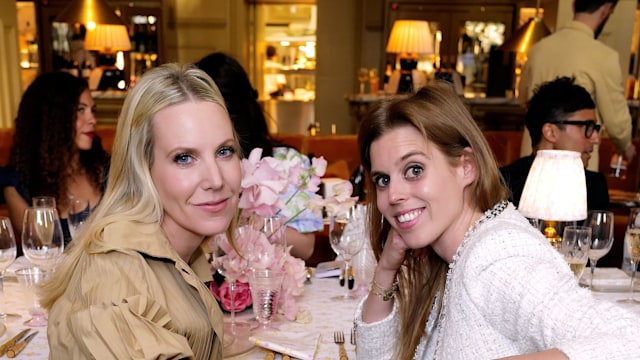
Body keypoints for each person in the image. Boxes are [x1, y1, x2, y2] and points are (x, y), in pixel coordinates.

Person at [353, 81, 640, 359]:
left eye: (414, 170)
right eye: (383, 179)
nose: (393, 195)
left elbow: (631, 339)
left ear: (466, 168)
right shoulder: (442, 256)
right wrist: (387, 269)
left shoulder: (495, 256)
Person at [40, 63, 241, 359]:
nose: (216, 180)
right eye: (184, 158)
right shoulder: (117, 282)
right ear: (142, 169)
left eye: (225, 151)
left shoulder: (178, 250)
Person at [196, 52, 322, 260]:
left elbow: (306, 247)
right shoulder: (186, 170)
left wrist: (249, 221)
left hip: (267, 284)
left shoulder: (287, 165)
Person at [518, 0, 636, 171]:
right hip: (577, 164)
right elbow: (617, 123)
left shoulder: (538, 49)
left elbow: (523, 99)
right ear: (606, 10)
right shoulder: (604, 57)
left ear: (573, 6)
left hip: (535, 159)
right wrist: (625, 147)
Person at [0, 71, 109, 248]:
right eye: (80, 110)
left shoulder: (106, 171)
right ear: (53, 119)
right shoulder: (18, 185)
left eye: (92, 110)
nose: (92, 120)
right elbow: (41, 250)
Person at [501, 76, 610, 211]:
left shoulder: (594, 186)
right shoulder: (504, 185)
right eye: (587, 127)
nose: (596, 139)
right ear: (550, 132)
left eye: (595, 129)